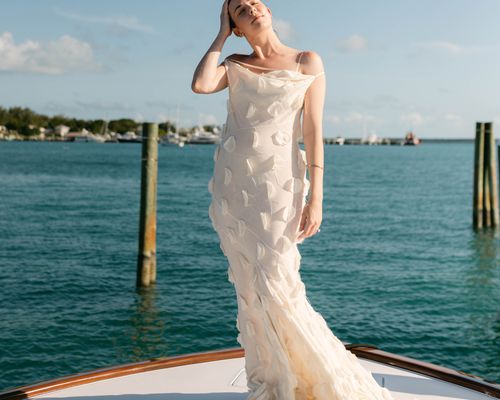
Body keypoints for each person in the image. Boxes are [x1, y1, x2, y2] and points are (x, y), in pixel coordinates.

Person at [192, 1, 394, 399]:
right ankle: (274, 375)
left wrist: (316, 197)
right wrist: (219, 34)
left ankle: (316, 377)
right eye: (239, 9)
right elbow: (200, 84)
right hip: (234, 188)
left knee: (278, 279)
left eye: (255, 1)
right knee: (251, 287)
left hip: (280, 184)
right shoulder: (234, 61)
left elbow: (314, 131)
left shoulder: (307, 61)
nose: (252, 6)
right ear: (235, 25)